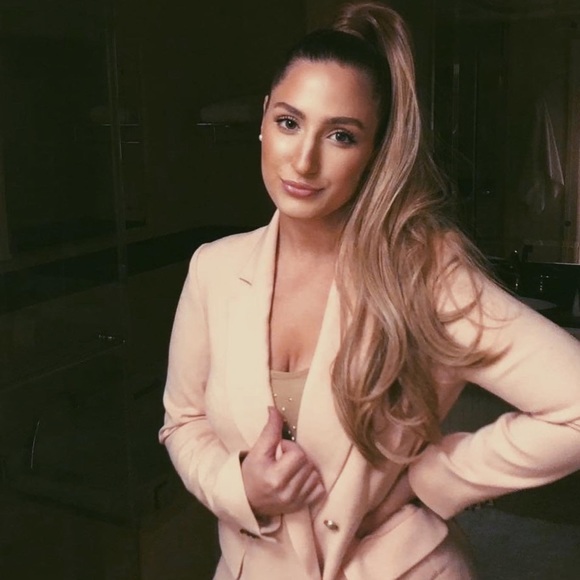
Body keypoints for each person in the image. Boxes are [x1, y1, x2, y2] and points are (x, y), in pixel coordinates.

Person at [159, 2, 580, 578]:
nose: (303, 160)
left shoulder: (421, 272)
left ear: (375, 150)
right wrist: (240, 487)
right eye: (289, 123)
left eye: (341, 135)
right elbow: (183, 423)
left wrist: (434, 477)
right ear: (263, 119)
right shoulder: (213, 268)